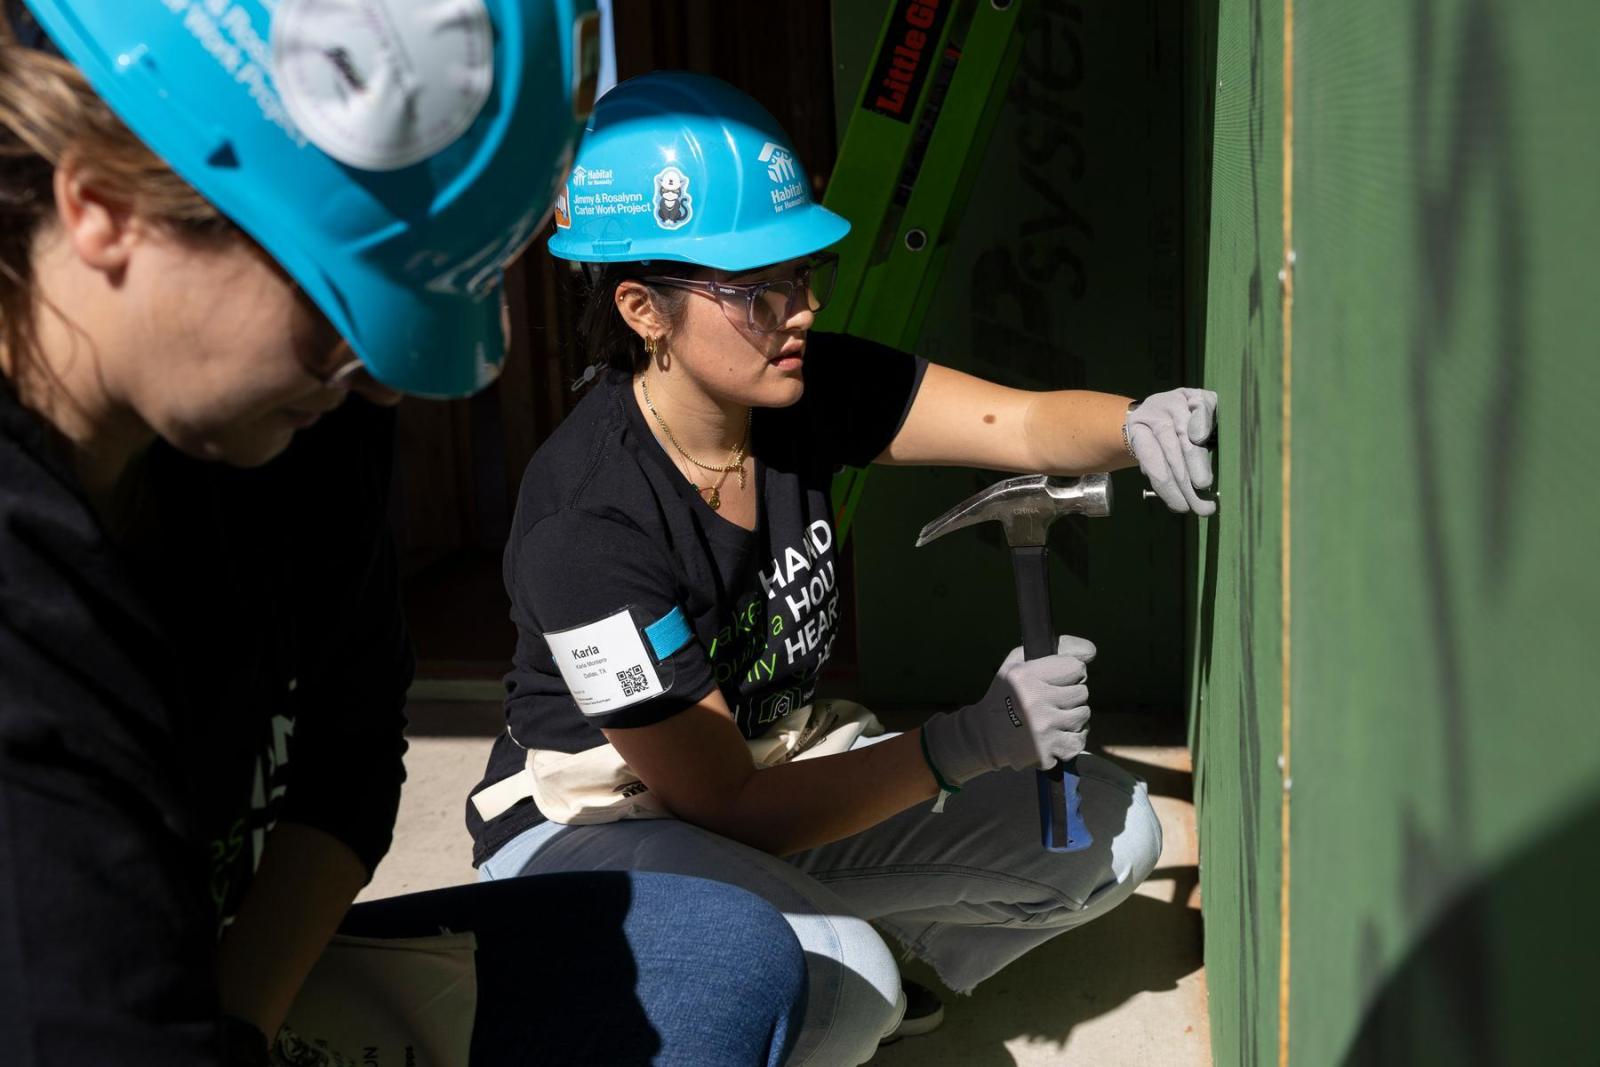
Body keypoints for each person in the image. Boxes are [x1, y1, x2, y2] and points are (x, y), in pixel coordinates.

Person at [0, 5, 806, 1066]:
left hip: (212, 976)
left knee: (723, 958)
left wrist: (240, 1025)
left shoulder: (313, 424)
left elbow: (349, 746)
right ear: (105, 203)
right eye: (349, 301)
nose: (386, 375)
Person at [466, 70, 1217, 1066]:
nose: (802, 309)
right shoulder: (586, 522)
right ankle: (788, 972)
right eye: (756, 288)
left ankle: (843, 951)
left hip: (762, 772)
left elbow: (1020, 420)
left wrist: (1131, 421)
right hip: (586, 832)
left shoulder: (799, 390)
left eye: (801, 271)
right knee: (833, 982)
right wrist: (965, 742)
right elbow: (716, 803)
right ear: (644, 308)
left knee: (1104, 838)